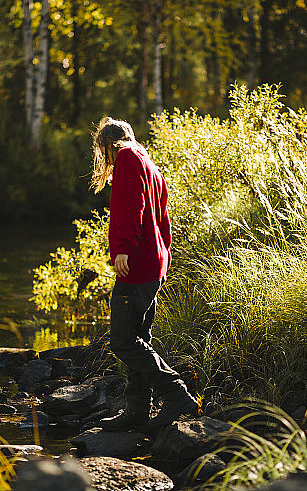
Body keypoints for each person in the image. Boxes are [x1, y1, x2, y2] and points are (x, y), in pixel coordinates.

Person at [89, 117, 198, 430]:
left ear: (109, 145)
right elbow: (163, 219)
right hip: (153, 264)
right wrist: (163, 256)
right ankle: (138, 410)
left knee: (123, 341)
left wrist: (122, 247)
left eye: (102, 151)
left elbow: (129, 205)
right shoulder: (147, 162)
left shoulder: (126, 157)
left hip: (136, 265)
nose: (104, 159)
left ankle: (176, 393)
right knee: (139, 338)